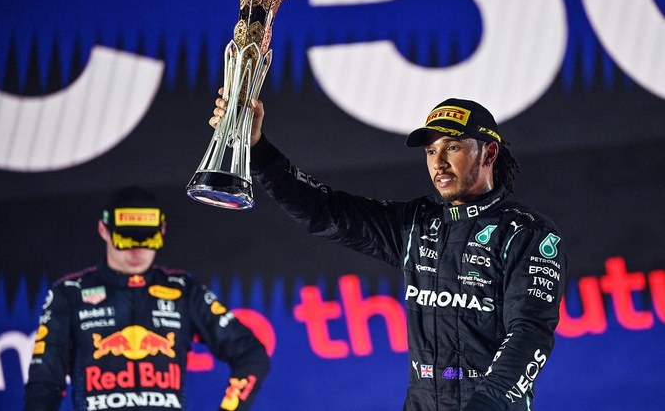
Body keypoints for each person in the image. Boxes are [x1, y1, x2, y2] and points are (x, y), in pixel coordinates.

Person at [210, 93, 567, 410]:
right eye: (431, 151)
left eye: (452, 147)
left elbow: (530, 333)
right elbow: (325, 211)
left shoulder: (528, 232)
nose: (438, 162)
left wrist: (485, 404)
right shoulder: (416, 223)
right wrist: (256, 149)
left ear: (488, 152)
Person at [24, 185, 270, 411]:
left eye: (147, 239)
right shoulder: (69, 293)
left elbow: (251, 354)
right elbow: (44, 384)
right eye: (127, 240)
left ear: (162, 230)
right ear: (103, 230)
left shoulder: (185, 290)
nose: (137, 250)